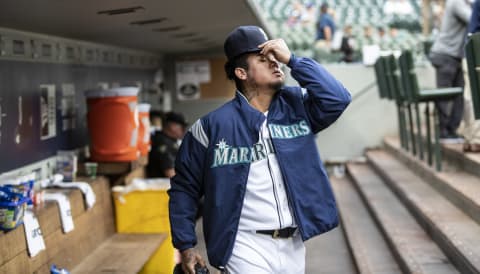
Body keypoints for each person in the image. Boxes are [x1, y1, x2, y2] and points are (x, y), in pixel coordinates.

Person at [168, 25, 351, 274]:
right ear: (241, 72)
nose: (275, 64)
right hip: (243, 244)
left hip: (294, 244)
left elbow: (338, 98)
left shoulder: (297, 106)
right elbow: (184, 188)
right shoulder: (211, 127)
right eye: (264, 59)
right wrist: (186, 245)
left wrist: (293, 60)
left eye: (276, 58)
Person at [429, 0, 472, 141]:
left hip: (454, 56)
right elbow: (472, 18)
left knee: (459, 94)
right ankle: (444, 132)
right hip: (446, 55)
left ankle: (451, 130)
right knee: (445, 95)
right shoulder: (456, 2)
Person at [461, 0, 480, 151]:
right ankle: (476, 139)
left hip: (470, 51)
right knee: (475, 97)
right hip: (476, 51)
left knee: (469, 97)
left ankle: (469, 138)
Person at [146, 111, 187, 178]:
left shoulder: (168, 139)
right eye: (182, 127)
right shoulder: (164, 143)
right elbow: (171, 174)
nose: (184, 130)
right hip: (163, 185)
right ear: (172, 126)